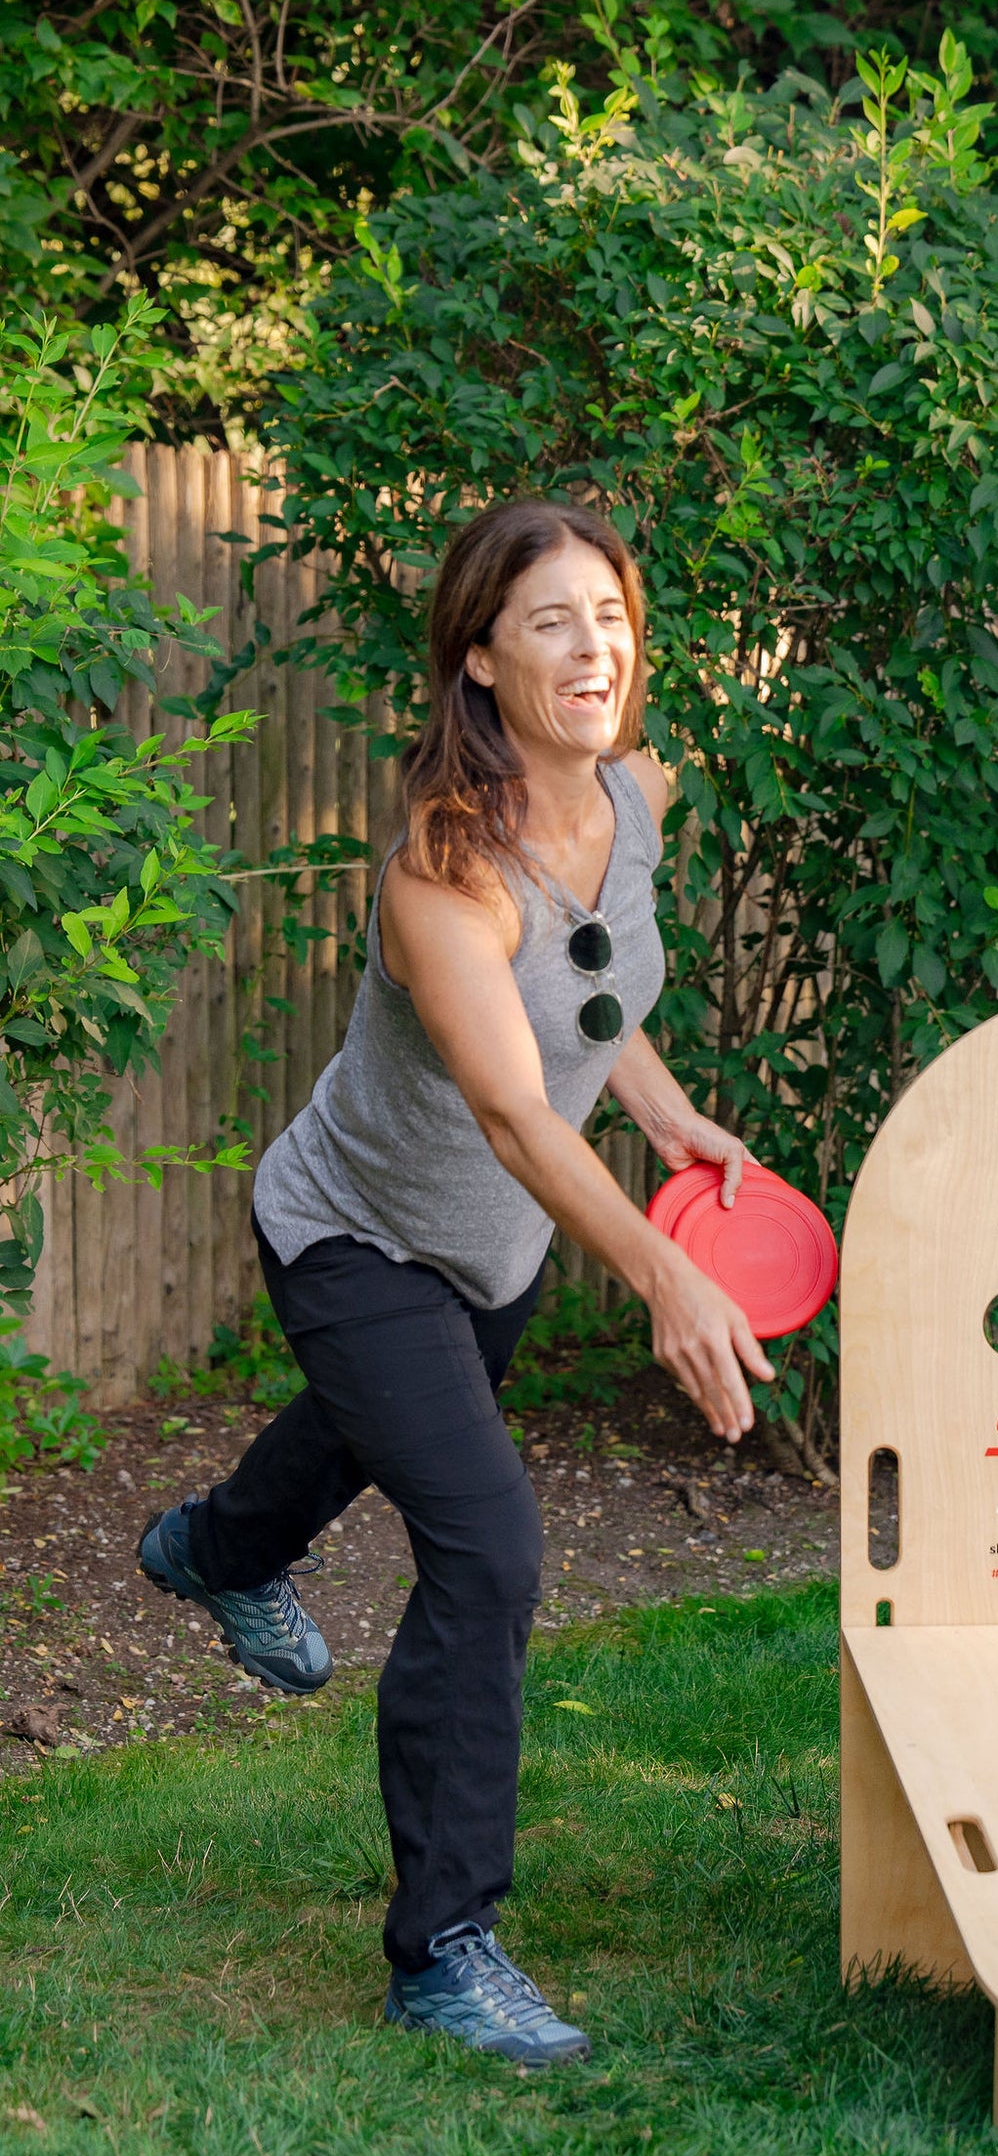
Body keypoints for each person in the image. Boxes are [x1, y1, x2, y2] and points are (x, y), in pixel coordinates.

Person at [138, 500, 771, 2065]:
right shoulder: (443, 863)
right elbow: (504, 1105)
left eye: (610, 615)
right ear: (480, 661)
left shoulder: (640, 791)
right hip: (357, 1232)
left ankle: (214, 1548)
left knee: (368, 1435)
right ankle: (444, 1949)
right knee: (487, 1551)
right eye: (551, 621)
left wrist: (666, 1107)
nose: (593, 647)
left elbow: (592, 986)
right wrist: (661, 1281)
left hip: (493, 1253)